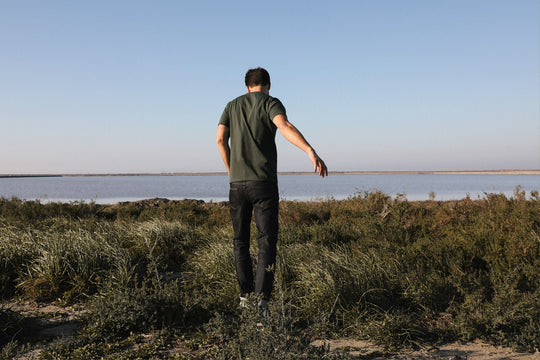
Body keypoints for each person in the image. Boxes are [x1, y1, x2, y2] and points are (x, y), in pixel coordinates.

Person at [216, 67, 327, 313]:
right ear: (268, 85)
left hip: (237, 184)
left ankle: (245, 299)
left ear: (247, 87)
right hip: (264, 183)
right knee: (266, 242)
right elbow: (284, 126)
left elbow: (220, 140)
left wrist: (231, 169)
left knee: (240, 241)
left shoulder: (231, 106)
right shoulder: (270, 103)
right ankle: (262, 305)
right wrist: (309, 150)